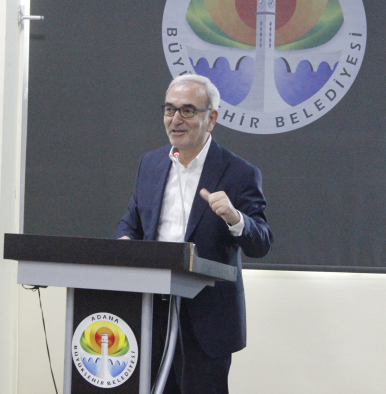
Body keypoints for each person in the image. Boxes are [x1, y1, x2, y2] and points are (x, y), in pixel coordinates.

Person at [115, 74, 273, 393]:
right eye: (169, 109)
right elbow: (132, 222)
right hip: (151, 314)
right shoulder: (150, 164)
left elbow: (261, 242)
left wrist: (235, 218)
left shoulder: (239, 173)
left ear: (211, 119)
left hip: (206, 321)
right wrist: (124, 244)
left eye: (187, 110)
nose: (175, 119)